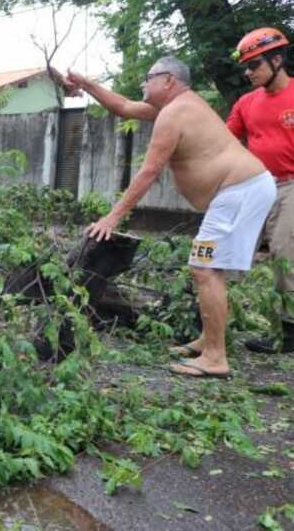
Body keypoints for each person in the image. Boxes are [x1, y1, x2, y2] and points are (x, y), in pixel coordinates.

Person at [65, 57, 276, 378]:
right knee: (207, 266)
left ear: (168, 81)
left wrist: (113, 218)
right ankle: (208, 340)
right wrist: (87, 85)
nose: (143, 84)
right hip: (237, 192)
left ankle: (215, 357)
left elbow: (149, 172)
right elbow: (122, 106)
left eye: (148, 78)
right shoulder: (176, 107)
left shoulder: (175, 113)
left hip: (239, 191)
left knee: (204, 267)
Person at [226, 27, 294, 354]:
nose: (248, 72)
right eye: (247, 66)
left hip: (290, 185)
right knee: (229, 246)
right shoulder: (245, 103)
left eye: (255, 65)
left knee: (284, 252)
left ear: (277, 59)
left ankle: (288, 331)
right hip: (255, 185)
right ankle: (208, 319)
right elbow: (224, 142)